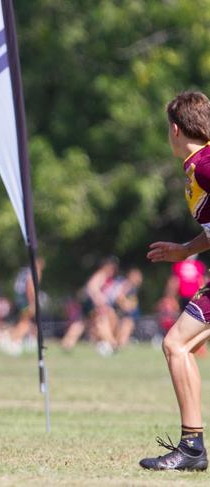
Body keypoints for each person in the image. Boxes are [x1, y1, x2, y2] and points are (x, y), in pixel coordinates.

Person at [140, 91, 210, 471]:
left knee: (176, 344)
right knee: (178, 344)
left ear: (175, 129)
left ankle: (193, 448)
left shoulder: (205, 164)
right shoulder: (198, 165)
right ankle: (193, 447)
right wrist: (186, 249)